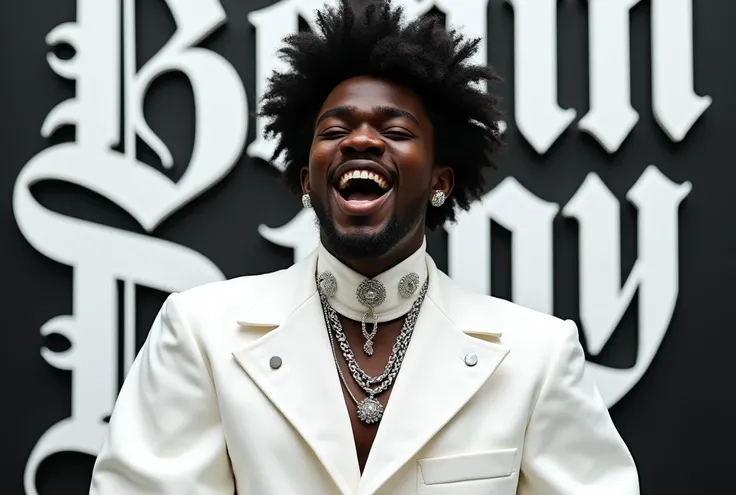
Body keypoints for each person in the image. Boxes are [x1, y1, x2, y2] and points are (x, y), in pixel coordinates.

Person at [89, 0, 640, 493]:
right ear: (307, 180)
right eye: (335, 130)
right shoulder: (200, 332)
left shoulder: (536, 355)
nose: (361, 140)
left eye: (396, 130)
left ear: (441, 182)